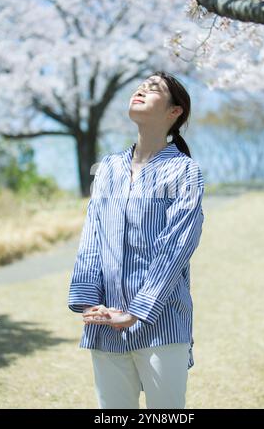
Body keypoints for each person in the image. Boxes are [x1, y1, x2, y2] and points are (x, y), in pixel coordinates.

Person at [68, 70, 205, 409]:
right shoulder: (109, 169)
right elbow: (92, 240)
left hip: (163, 323)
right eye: (140, 86)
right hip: (105, 324)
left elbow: (176, 249)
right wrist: (89, 305)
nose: (141, 90)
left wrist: (135, 313)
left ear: (175, 112)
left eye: (153, 88)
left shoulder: (185, 172)